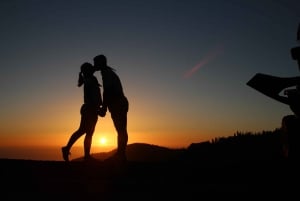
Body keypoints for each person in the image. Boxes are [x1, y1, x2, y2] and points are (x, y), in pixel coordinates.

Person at [61, 62, 103, 162]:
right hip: (90, 109)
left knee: (85, 131)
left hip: (89, 109)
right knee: (86, 132)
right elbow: (93, 96)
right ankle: (79, 153)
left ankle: (78, 153)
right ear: (88, 70)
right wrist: (97, 109)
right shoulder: (91, 79)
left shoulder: (88, 79)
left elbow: (92, 95)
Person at [93, 54, 129, 163]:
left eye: (95, 63)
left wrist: (103, 107)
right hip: (119, 104)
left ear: (100, 63)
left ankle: (121, 155)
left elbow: (107, 92)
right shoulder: (107, 73)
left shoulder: (107, 74)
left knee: (121, 130)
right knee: (121, 130)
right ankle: (121, 155)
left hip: (118, 104)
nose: (94, 65)